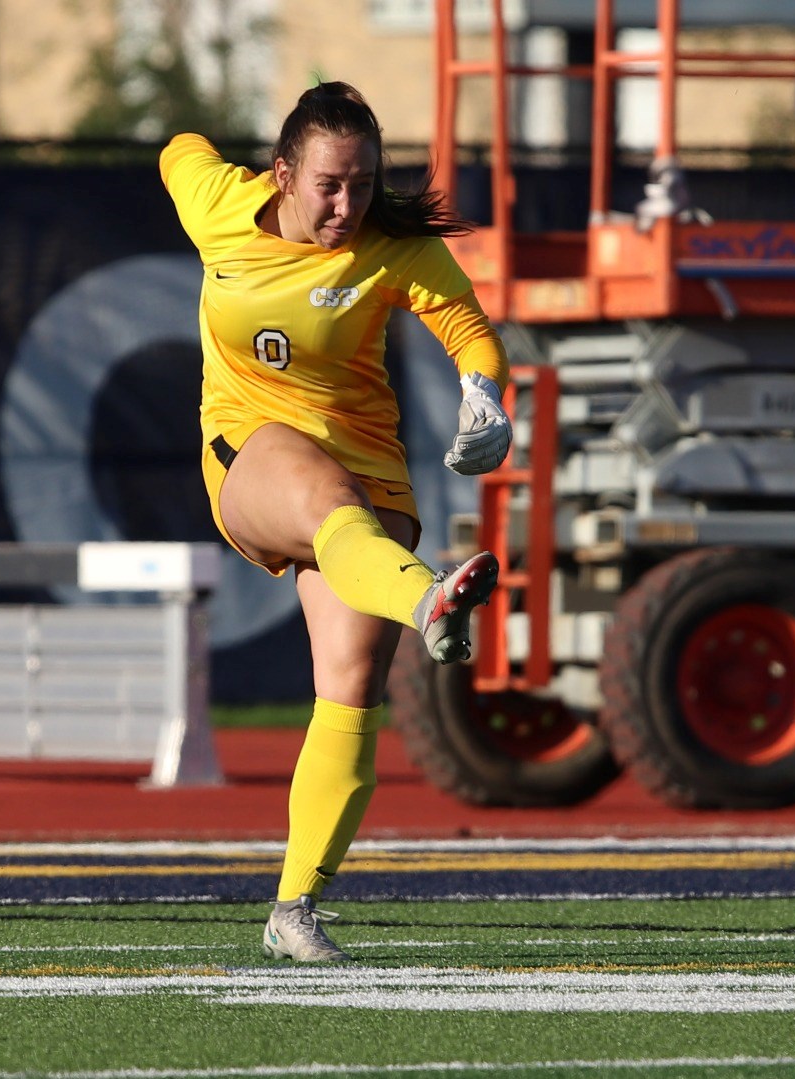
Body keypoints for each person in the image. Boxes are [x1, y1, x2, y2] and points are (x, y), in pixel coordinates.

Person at [160, 82, 514, 963]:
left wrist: (482, 396)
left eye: (362, 184)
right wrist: (192, 149)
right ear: (281, 175)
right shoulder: (223, 207)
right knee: (325, 500)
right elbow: (177, 151)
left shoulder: (391, 247)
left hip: (370, 468)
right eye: (327, 185)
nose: (346, 206)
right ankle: (426, 601)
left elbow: (467, 327)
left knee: (350, 690)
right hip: (251, 448)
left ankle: (293, 907)